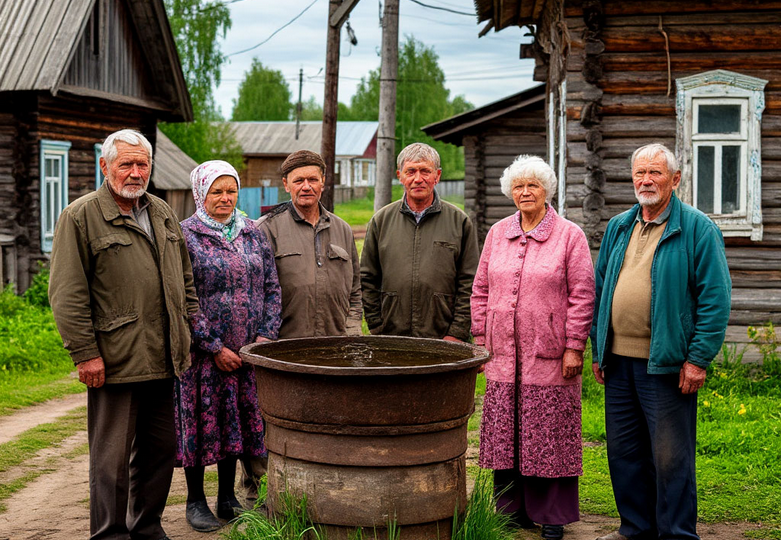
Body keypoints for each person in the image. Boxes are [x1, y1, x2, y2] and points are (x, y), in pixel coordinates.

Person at [48, 129, 198, 540]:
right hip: (116, 359)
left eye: (142, 164)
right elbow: (67, 293)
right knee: (110, 460)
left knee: (160, 452)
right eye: (126, 164)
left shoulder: (162, 212)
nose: (135, 172)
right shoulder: (80, 216)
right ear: (105, 166)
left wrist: (187, 328)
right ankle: (110, 534)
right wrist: (85, 353)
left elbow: (184, 278)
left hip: (164, 356)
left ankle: (146, 527)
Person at [591, 143, 731, 540]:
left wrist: (698, 359)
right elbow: (601, 288)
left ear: (675, 179)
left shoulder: (697, 229)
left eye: (655, 173)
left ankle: (676, 534)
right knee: (624, 453)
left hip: (667, 363)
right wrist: (598, 349)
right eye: (640, 173)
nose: (646, 180)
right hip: (618, 361)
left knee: (671, 457)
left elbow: (716, 298)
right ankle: (635, 528)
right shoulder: (619, 226)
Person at [471, 155, 595, 540]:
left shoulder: (569, 235)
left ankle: (552, 516)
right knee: (506, 433)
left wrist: (574, 346)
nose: (525, 192)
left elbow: (583, 295)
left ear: (547, 191)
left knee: (549, 435)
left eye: (533, 186)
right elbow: (480, 290)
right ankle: (512, 512)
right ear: (510, 192)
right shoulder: (498, 233)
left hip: (550, 356)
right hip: (503, 356)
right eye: (518, 186)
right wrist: (480, 340)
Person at [239, 149, 362, 505]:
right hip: (282, 347)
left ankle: (318, 491)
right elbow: (253, 291)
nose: (306, 186)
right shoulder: (266, 229)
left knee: (325, 422)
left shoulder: (341, 229)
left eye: (312, 179)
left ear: (324, 182)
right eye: (298, 180)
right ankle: (262, 492)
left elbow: (355, 290)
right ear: (286, 184)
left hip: (333, 348)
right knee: (273, 421)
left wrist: (352, 330)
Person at [176, 161, 282, 531]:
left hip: (247, 354)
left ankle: (226, 498)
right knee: (201, 424)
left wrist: (264, 339)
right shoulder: (185, 236)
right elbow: (183, 297)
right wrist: (213, 346)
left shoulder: (252, 233)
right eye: (216, 191)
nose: (225, 198)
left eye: (231, 191)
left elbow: (272, 286)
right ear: (200, 194)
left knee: (235, 423)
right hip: (204, 356)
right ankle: (195, 501)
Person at [361, 142, 479, 342]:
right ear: (400, 176)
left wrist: (457, 332)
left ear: (437, 176)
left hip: (443, 337)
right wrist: (376, 325)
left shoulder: (459, 222)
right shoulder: (381, 221)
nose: (418, 179)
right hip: (391, 336)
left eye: (425, 171)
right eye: (411, 171)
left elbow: (470, 282)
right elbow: (367, 278)